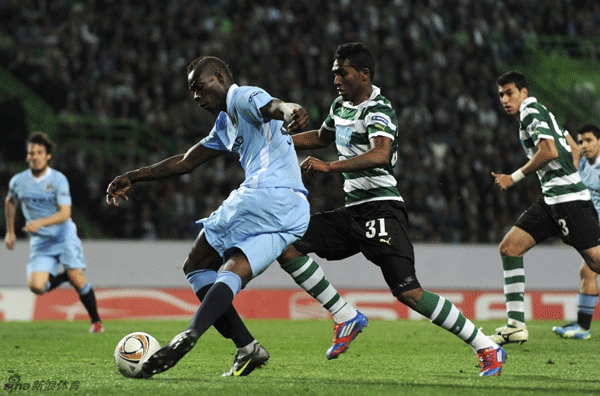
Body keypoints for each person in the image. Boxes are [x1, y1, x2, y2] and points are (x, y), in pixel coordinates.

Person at [106, 56, 362, 378]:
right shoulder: (226, 124)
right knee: (231, 270)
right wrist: (136, 175)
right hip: (292, 212)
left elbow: (274, 106)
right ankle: (248, 349)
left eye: (199, 88)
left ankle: (190, 334)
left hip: (266, 194)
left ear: (217, 77)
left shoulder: (241, 97)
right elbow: (186, 161)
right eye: (192, 92)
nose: (197, 97)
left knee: (196, 265)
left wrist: (291, 111)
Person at [277, 42, 506, 376]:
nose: (336, 80)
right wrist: (276, 140)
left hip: (382, 210)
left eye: (343, 73)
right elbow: (322, 139)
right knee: (287, 245)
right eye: (335, 73)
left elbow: (381, 154)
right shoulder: (340, 106)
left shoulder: (379, 109)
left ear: (364, 74)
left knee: (410, 293)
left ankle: (487, 347)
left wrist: (329, 168)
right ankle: (344, 316)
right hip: (353, 210)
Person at [490, 71, 600, 346]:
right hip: (553, 199)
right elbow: (572, 150)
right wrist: (566, 178)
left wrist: (512, 178)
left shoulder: (529, 111)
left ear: (523, 93)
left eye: (510, 92)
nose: (505, 99)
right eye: (501, 94)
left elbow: (549, 151)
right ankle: (515, 326)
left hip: (569, 203)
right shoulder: (541, 113)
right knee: (510, 247)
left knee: (596, 263)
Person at [4, 132, 103, 333]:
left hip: (63, 236)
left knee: (78, 280)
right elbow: (9, 201)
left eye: (40, 152)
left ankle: (96, 322)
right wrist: (10, 231)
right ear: (27, 156)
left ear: (48, 155)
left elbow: (65, 213)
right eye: (32, 153)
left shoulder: (58, 180)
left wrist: (39, 222)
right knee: (37, 287)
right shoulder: (19, 181)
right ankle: (64, 276)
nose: (35, 156)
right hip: (41, 242)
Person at [552, 123, 600, 339]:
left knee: (589, 270)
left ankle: (582, 327)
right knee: (587, 271)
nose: (584, 145)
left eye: (589, 140)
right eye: (580, 141)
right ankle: (582, 328)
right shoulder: (582, 165)